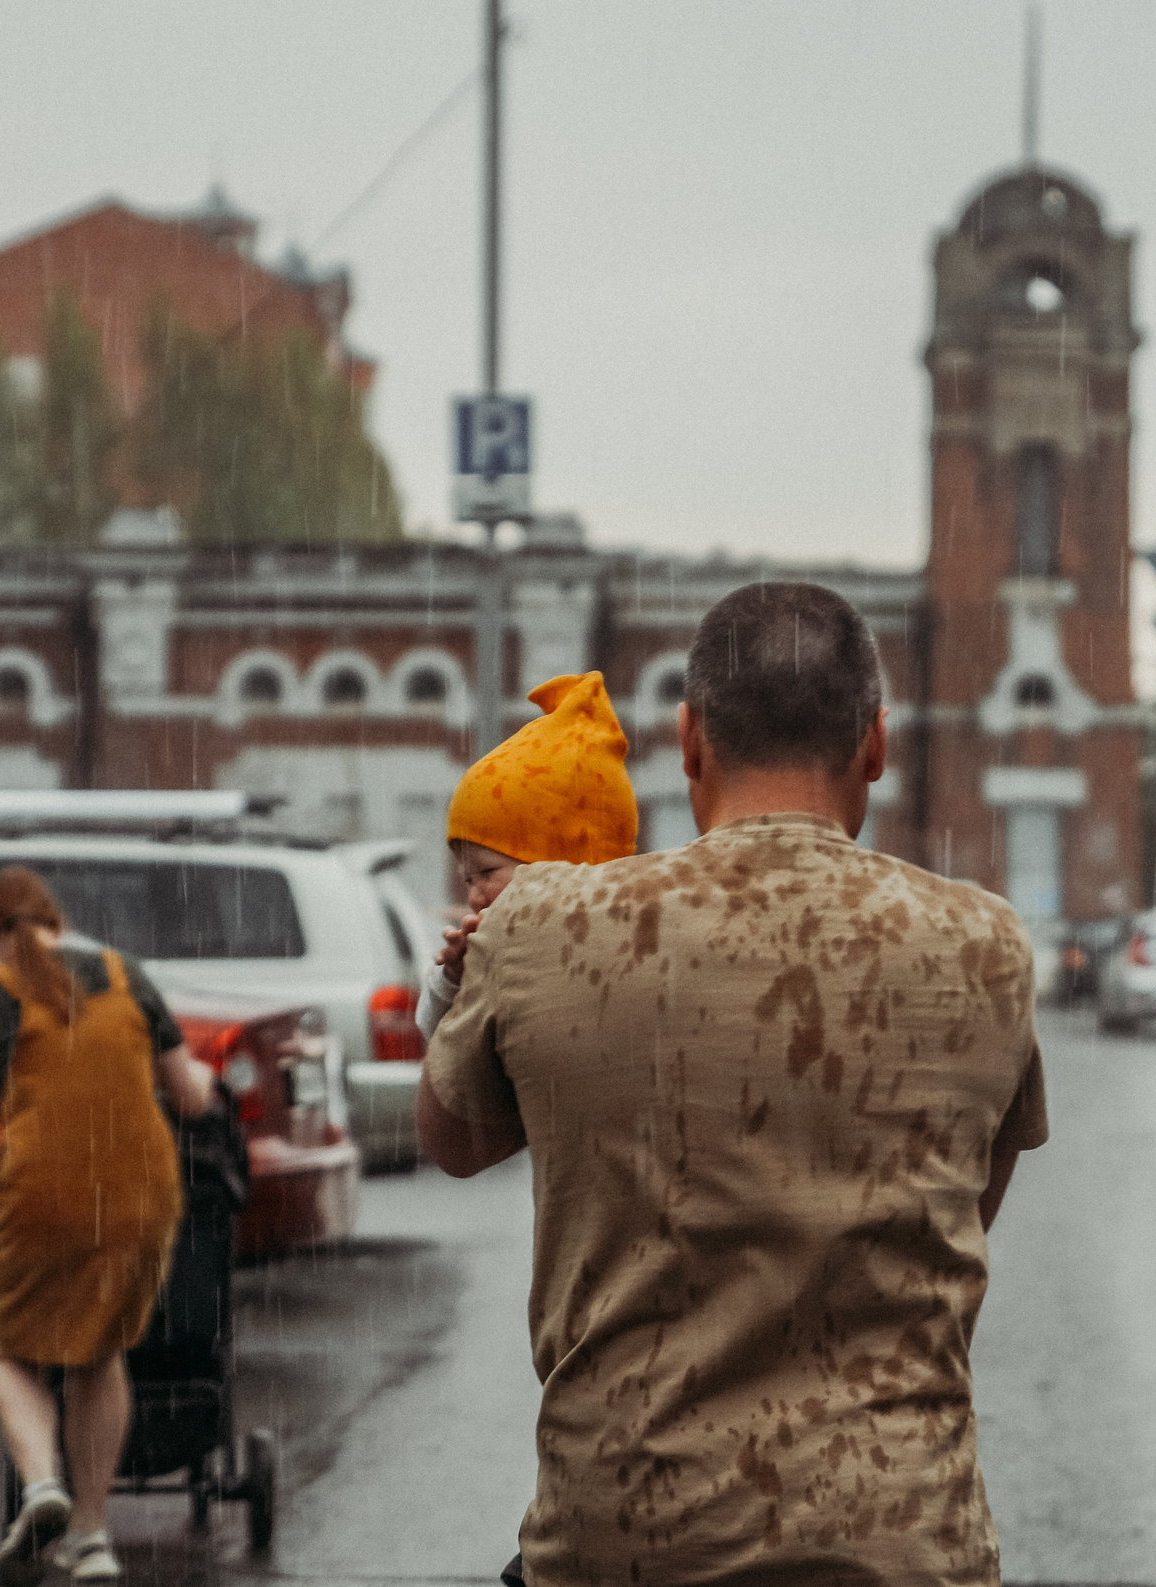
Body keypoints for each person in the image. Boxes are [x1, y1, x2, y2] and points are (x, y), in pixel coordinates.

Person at [420, 581, 1050, 1587]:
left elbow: (452, 1144)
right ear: (876, 744)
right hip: (896, 1539)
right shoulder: (985, 945)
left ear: (688, 738)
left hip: (626, 1535)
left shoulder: (545, 924)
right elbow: (968, 1203)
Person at [0, 865, 214, 1587]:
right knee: (100, 1355)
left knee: (9, 1350)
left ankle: (42, 1486)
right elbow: (189, 1096)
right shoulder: (125, 974)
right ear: (56, 921)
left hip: (44, 1192)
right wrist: (213, 1086)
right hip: (139, 1193)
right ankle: (93, 1537)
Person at [415, 671, 640, 1041]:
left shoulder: (626, 949)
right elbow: (436, 1036)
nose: (473, 895)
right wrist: (453, 979)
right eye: (467, 879)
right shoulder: (494, 953)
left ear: (566, 863)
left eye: (487, 872)